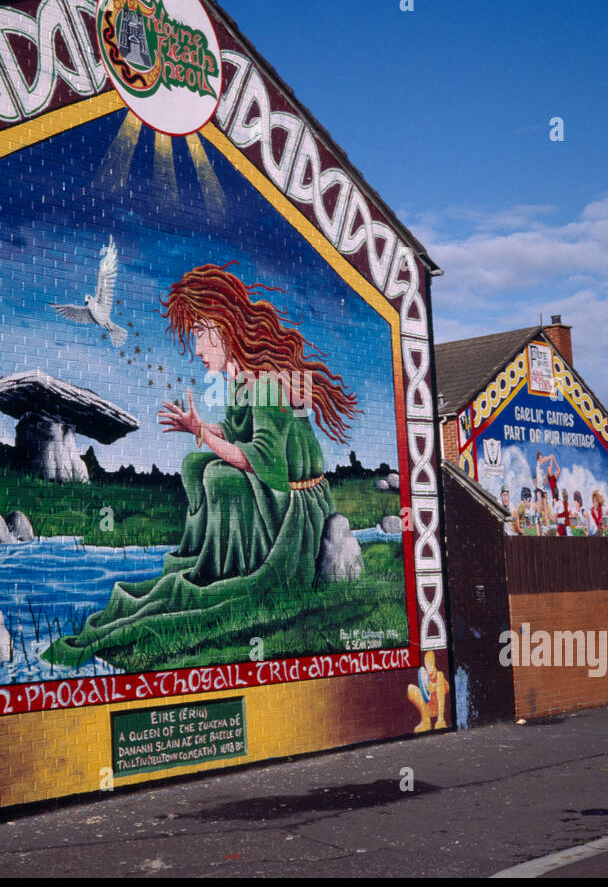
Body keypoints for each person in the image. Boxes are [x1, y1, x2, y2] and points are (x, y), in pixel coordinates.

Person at [44, 263, 360, 664]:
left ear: (224, 329)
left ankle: (237, 567)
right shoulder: (243, 381)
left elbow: (258, 460)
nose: (196, 348)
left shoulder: (264, 385)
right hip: (276, 491)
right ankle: (210, 560)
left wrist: (204, 434)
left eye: (199, 333)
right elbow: (236, 432)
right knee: (196, 465)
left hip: (296, 508)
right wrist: (199, 428)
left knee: (219, 476)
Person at [406, 650, 448, 732]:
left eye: (430, 662)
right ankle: (426, 722)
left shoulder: (439, 675)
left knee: (440, 675)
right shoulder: (424, 677)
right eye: (427, 663)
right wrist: (428, 690)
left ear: (434, 663)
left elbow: (447, 689)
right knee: (410, 688)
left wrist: (435, 687)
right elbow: (423, 695)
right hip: (427, 708)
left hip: (437, 708)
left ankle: (440, 720)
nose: (429, 665)